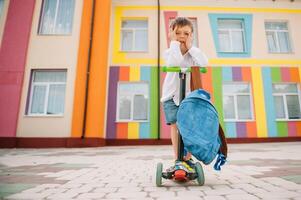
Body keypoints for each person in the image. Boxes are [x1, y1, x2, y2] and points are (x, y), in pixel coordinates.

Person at [161, 17, 208, 169]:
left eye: (186, 33)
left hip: (190, 97)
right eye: (178, 33)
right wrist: (175, 44)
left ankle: (187, 158)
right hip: (171, 96)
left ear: (192, 36)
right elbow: (174, 63)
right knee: (175, 126)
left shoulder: (194, 54)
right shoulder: (169, 52)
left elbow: (204, 63)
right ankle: (177, 159)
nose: (182, 36)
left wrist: (191, 47)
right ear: (171, 34)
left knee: (189, 126)